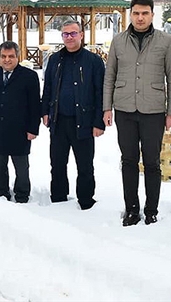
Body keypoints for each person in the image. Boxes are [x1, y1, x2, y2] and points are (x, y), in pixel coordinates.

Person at [103, 0, 171, 226]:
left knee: (152, 162)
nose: (140, 17)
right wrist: (107, 107)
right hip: (125, 108)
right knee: (128, 160)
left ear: (152, 15)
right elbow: (110, 76)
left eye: (144, 13)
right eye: (136, 13)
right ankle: (132, 209)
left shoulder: (165, 41)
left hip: (153, 110)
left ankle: (151, 210)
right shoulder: (118, 41)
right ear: (130, 14)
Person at [41, 20, 106, 210]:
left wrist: (98, 122)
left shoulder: (93, 61)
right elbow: (48, 88)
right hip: (59, 121)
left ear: (81, 35)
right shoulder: (55, 60)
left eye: (73, 33)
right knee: (58, 164)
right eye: (65, 34)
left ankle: (86, 201)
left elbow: (100, 92)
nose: (69, 37)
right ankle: (58, 198)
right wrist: (45, 111)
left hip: (83, 121)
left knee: (85, 166)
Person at [0, 41, 41, 203]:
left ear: (17, 57)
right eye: (3, 57)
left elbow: (35, 106)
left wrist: (33, 129)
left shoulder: (29, 77)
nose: (7, 60)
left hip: (20, 130)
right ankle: (2, 193)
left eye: (11, 56)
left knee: (21, 167)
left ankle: (22, 194)